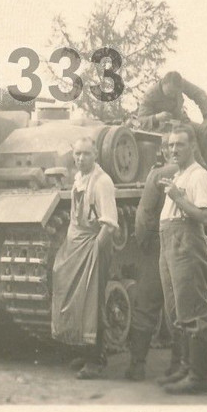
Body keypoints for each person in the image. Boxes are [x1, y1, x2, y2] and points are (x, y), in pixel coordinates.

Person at [50, 137, 120, 380]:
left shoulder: (102, 182)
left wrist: (94, 251)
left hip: (93, 245)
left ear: (96, 155)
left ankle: (96, 359)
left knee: (92, 301)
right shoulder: (79, 179)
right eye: (77, 154)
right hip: (76, 245)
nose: (81, 159)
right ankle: (84, 349)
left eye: (86, 154)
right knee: (76, 298)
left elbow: (109, 224)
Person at [157, 124, 207, 395]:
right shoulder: (180, 175)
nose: (173, 149)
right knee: (177, 311)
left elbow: (206, 216)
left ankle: (198, 378)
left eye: (179, 144)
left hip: (187, 244)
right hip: (170, 242)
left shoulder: (199, 176)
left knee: (193, 311)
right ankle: (184, 367)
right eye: (170, 145)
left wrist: (178, 198)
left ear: (192, 145)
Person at [123, 132, 179, 382]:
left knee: (146, 305)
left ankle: (137, 365)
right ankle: (179, 366)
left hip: (158, 246)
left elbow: (144, 215)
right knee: (183, 308)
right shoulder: (203, 174)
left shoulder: (158, 174)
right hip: (185, 247)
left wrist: (145, 243)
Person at [136, 71, 207, 166]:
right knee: (188, 133)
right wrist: (157, 117)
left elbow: (198, 93)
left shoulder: (181, 83)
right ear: (163, 84)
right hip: (162, 128)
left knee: (204, 131)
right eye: (170, 92)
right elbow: (141, 119)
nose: (173, 95)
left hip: (181, 121)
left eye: (176, 93)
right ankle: (198, 167)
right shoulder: (151, 94)